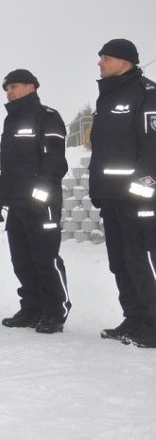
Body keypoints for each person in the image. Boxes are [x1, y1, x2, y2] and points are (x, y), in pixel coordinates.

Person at [0, 69, 71, 334]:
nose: (9, 92)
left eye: (14, 86)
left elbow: (54, 163)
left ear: (31, 87)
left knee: (45, 258)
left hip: (42, 205)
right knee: (21, 260)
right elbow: (8, 167)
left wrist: (41, 196)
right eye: (7, 88)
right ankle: (31, 309)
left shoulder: (47, 117)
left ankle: (54, 312)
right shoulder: (10, 122)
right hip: (17, 203)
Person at [88, 39, 156, 349]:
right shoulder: (106, 98)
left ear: (125, 62)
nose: (99, 63)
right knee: (121, 262)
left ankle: (153, 323)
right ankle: (135, 317)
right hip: (112, 197)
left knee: (141, 260)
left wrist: (142, 187)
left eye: (106, 58)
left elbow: (152, 147)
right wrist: (97, 188)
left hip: (138, 199)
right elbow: (102, 152)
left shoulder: (146, 93)